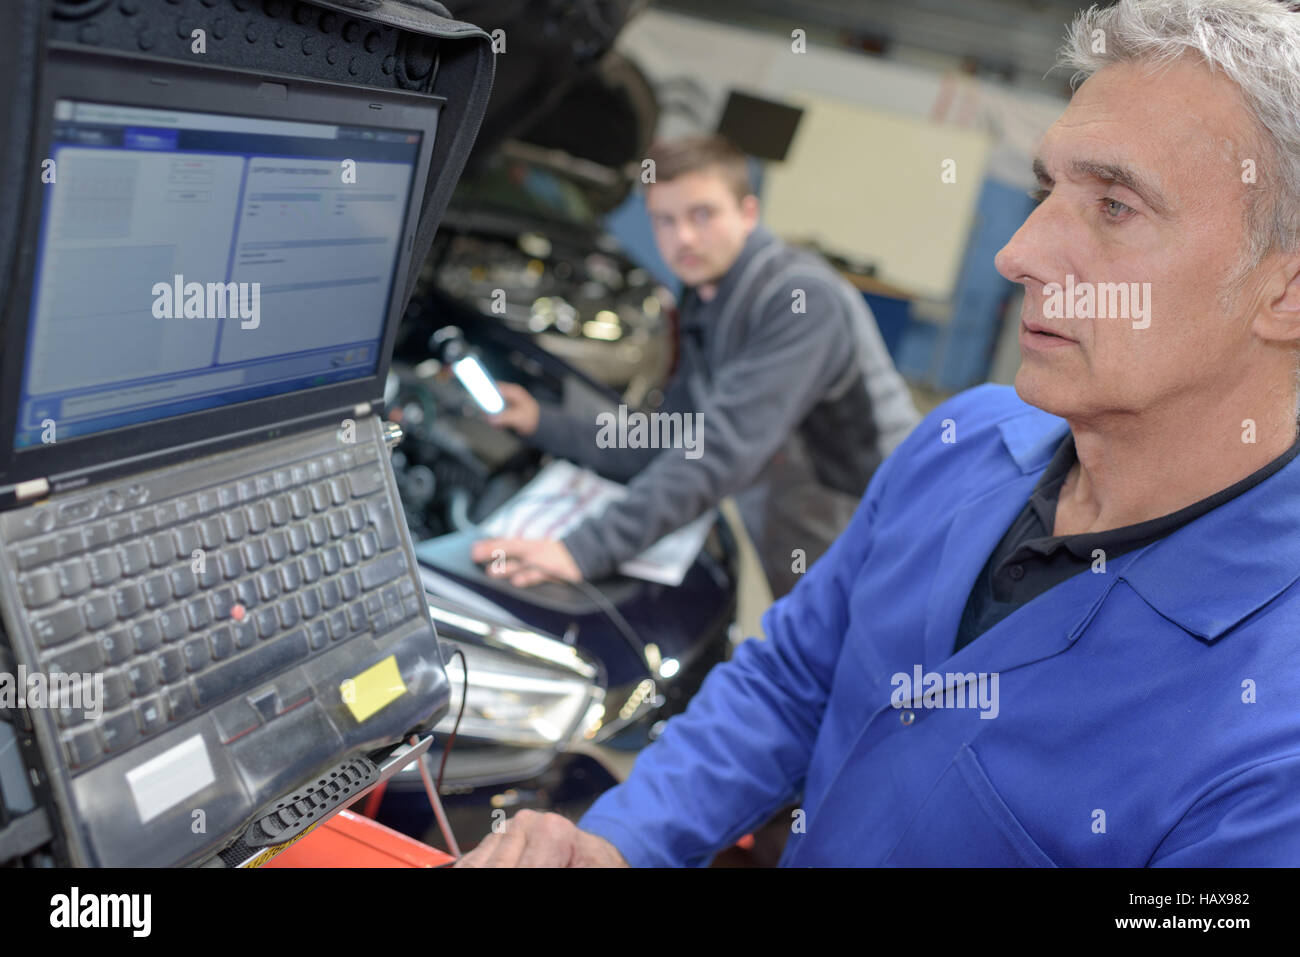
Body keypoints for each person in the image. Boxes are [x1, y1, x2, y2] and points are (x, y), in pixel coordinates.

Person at [455, 0, 1300, 867]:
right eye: (1050, 190)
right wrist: (622, 842)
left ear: (1285, 289)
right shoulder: (963, 441)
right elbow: (791, 682)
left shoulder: (1276, 748)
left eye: (1116, 205)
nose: (1019, 253)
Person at [470, 134, 919, 598]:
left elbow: (721, 448)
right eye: (664, 220)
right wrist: (543, 423)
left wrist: (583, 550)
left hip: (878, 533)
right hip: (790, 521)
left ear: (748, 212)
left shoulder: (799, 301)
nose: (682, 237)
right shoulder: (705, 295)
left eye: (702, 215)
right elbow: (671, 435)